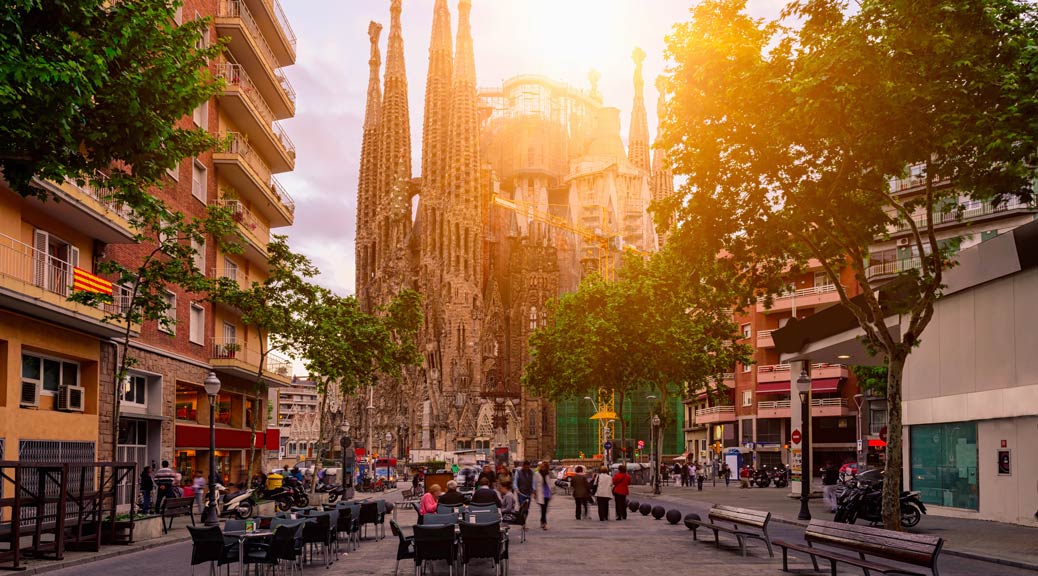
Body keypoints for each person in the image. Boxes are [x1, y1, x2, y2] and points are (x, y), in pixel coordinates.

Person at [531, 461, 553, 530]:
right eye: (542, 466)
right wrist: (534, 492)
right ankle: (544, 523)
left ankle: (542, 521)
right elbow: (534, 483)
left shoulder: (547, 474)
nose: (542, 467)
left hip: (547, 493)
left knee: (544, 509)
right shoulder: (537, 474)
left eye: (544, 466)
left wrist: (552, 491)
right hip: (540, 493)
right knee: (543, 509)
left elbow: (550, 483)